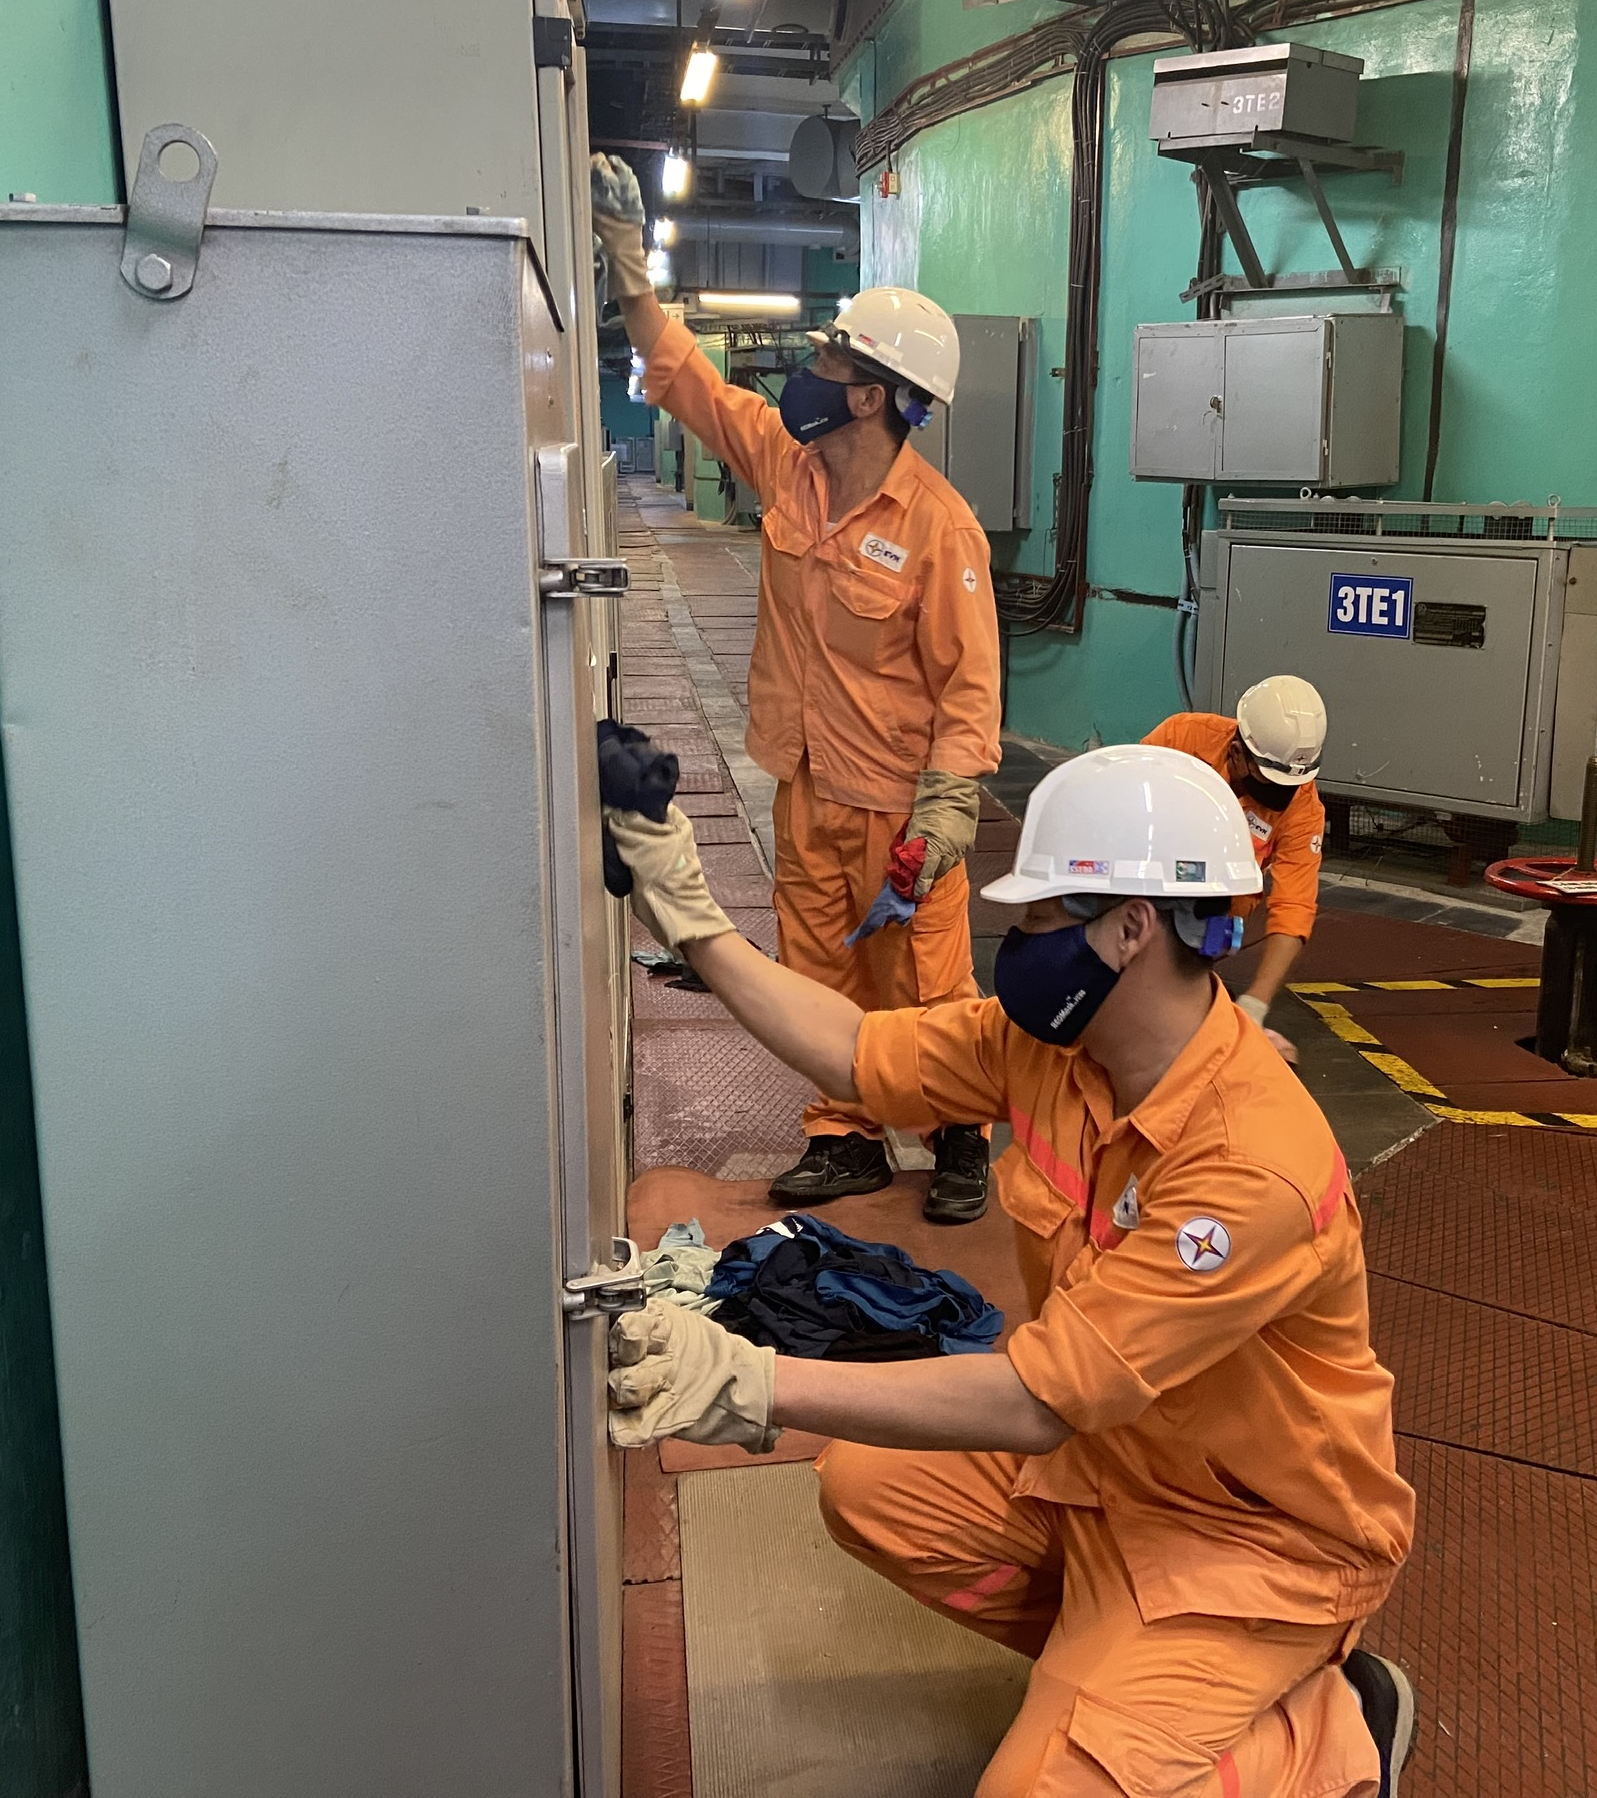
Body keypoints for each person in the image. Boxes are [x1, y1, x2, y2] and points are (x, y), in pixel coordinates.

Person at [601, 743, 1417, 1798]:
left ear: (1129, 928)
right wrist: (691, 917)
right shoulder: (1059, 1049)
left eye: (1037, 917)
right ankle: (1119, 1673)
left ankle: (1330, 1735)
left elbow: (1039, 1400)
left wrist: (746, 1381)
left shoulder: (1251, 1164)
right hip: (1115, 1470)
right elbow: (858, 1054)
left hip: (1251, 1543)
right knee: (871, 1490)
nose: (1016, 941)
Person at [593, 154, 1003, 1222]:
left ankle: (961, 1132)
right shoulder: (791, 469)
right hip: (808, 781)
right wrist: (630, 265)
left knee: (927, 980)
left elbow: (970, 688)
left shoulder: (939, 529)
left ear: (869, 394)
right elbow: (688, 380)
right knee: (818, 964)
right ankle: (844, 1133)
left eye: (829, 357)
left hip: (901, 807)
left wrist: (944, 813)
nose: (808, 370)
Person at [1142, 676, 1329, 1059]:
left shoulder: (1303, 809)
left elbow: (1294, 909)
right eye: (1270, 782)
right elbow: (1123, 806)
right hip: (1143, 881)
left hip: (1211, 913)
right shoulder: (1181, 739)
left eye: (1289, 785)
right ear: (1238, 752)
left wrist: (1255, 1006)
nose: (1281, 797)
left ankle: (1189, 984)